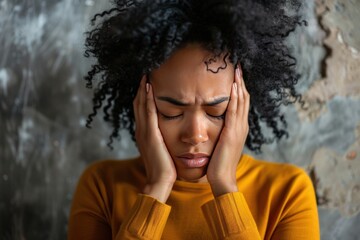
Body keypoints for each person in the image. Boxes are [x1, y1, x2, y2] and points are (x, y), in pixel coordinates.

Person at [68, 0, 320, 239]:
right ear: (141, 104)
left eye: (217, 112)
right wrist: (156, 188)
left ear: (243, 103)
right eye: (171, 112)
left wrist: (224, 186)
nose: (195, 135)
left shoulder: (288, 192)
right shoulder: (101, 187)